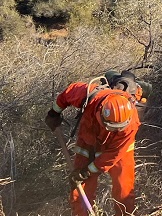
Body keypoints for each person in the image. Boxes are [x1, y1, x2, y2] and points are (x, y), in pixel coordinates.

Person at [45, 82, 140, 216]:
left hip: (119, 151)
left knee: (124, 191)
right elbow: (67, 93)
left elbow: (113, 154)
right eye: (111, 127)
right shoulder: (89, 96)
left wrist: (87, 171)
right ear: (100, 113)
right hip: (88, 144)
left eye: (118, 128)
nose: (114, 131)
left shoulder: (131, 124)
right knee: (79, 190)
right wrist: (54, 113)